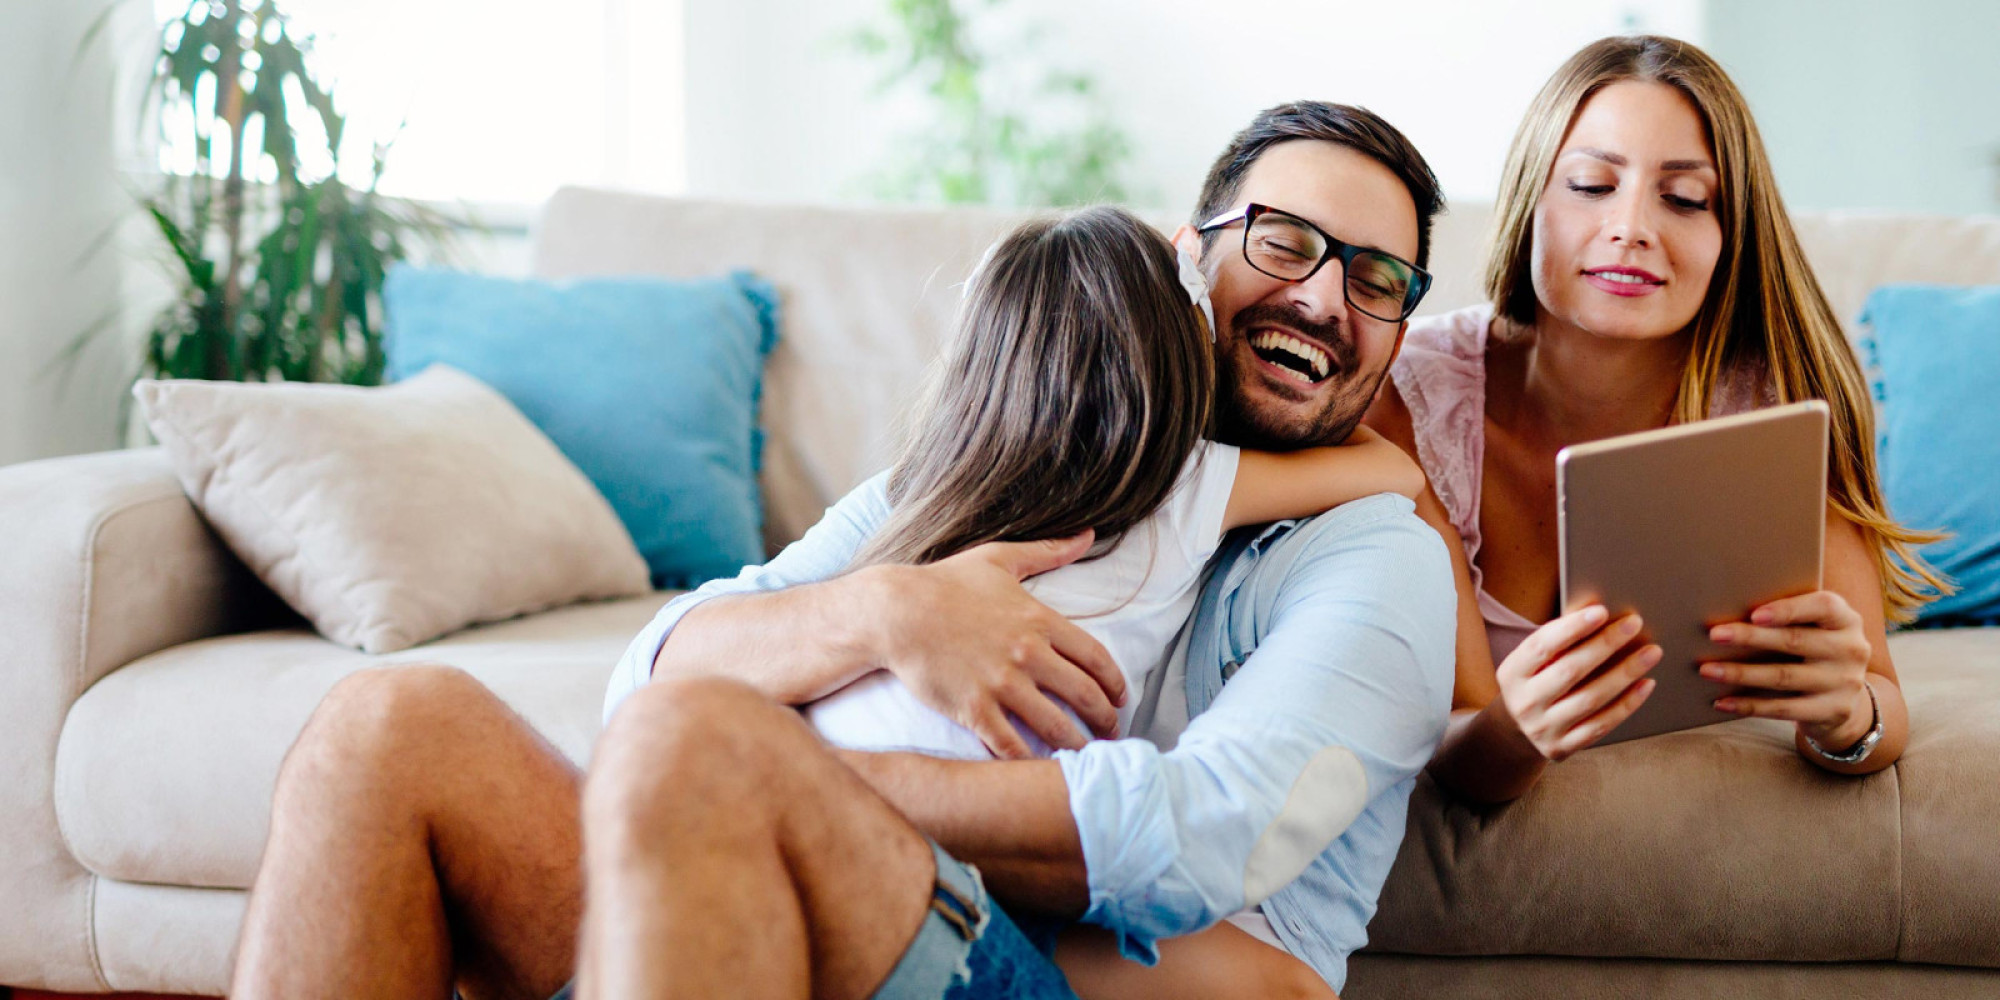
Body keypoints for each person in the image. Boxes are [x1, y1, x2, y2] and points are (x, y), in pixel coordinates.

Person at [228, 101, 1456, 1000]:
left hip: (1054, 975)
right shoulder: (993, 477)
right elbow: (647, 678)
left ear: (1400, 324)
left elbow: (1218, 835)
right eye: (1287, 241)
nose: (1324, 297)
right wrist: (884, 616)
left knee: (702, 747)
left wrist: (774, 783)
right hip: (831, 919)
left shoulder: (1372, 559)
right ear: (1190, 256)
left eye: (1379, 278)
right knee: (381, 731)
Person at [1361, 34, 1951, 804]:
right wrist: (1516, 729)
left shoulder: (1774, 413)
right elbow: (1464, 760)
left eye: (1683, 199)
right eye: (1590, 184)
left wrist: (1846, 718)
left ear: (1729, 235)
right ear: (1529, 201)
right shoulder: (1410, 397)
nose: (1631, 226)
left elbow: (1879, 709)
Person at [807, 204, 1424, 765]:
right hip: (966, 816)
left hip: (826, 746)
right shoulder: (1186, 485)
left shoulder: (938, 487)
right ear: (1179, 363)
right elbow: (1398, 471)